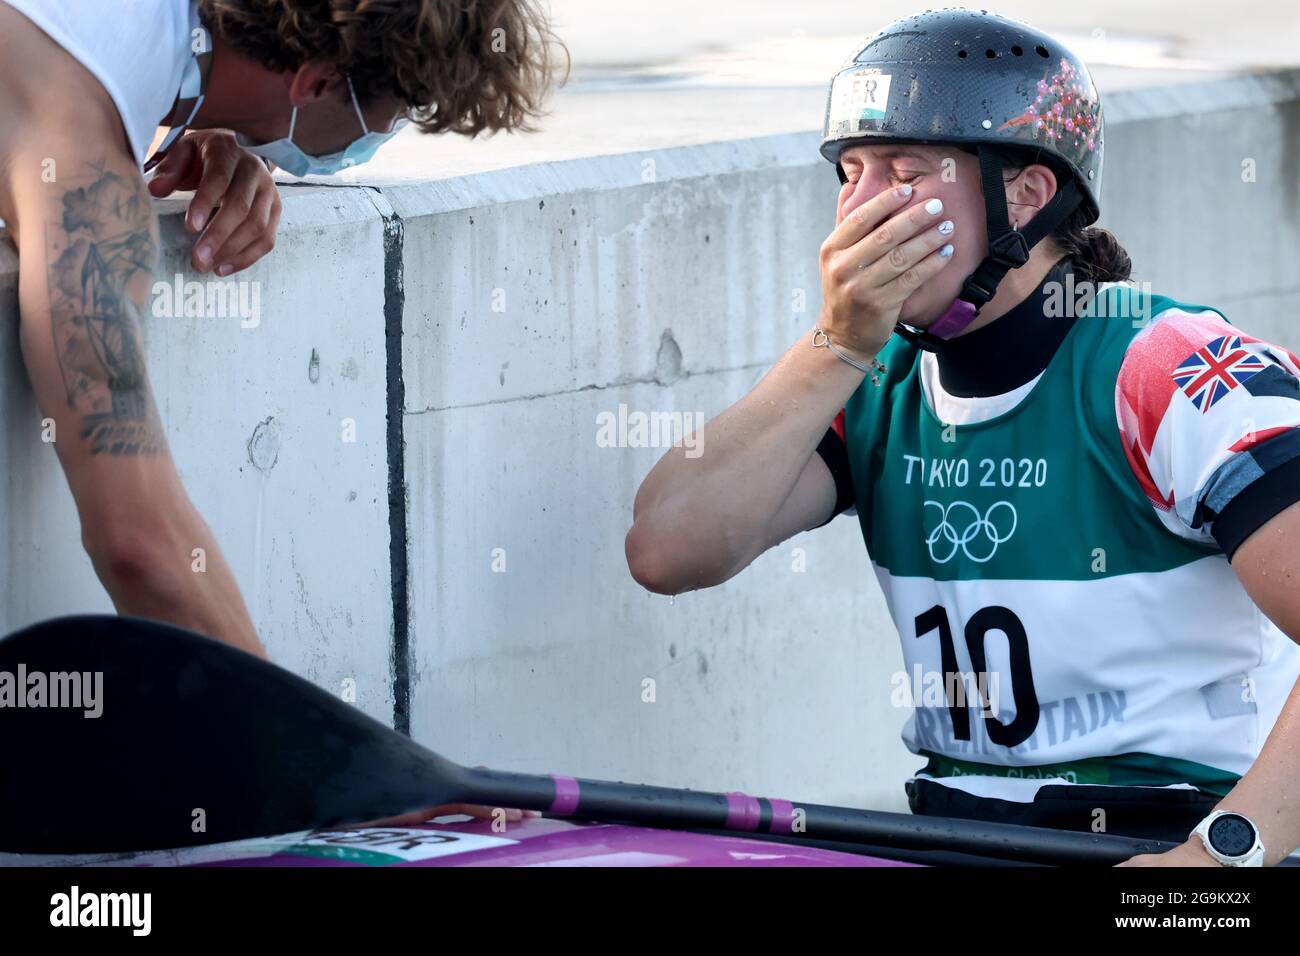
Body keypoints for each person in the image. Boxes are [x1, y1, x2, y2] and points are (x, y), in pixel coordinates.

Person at [625, 10, 1300, 866]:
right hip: (960, 831)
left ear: (1025, 194)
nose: (862, 211)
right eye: (852, 172)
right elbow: (665, 551)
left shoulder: (1165, 365)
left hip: (1176, 838)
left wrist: (1221, 859)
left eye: (906, 172)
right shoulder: (872, 378)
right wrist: (836, 342)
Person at [0, 0, 562, 655]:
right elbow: (138, 542)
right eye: (394, 117)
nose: (379, 140)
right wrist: (308, 753)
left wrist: (197, 122)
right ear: (317, 80)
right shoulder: (81, 160)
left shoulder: (92, 50)